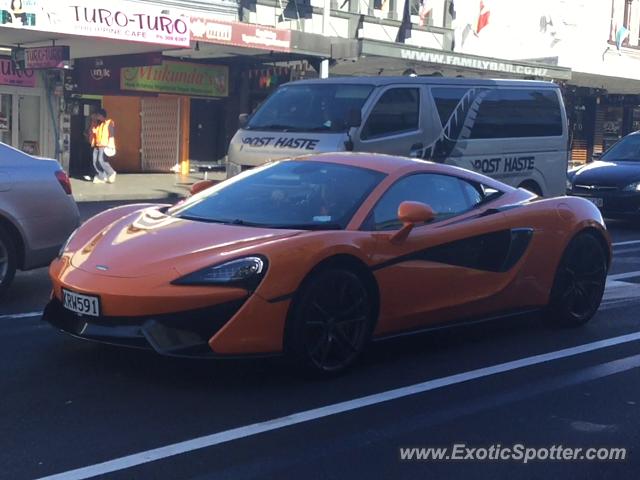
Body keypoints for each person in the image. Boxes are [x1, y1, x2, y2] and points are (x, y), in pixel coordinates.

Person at [89, 108, 116, 184]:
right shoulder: (99, 124)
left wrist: (111, 144)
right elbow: (97, 133)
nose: (97, 117)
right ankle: (101, 175)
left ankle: (111, 172)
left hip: (104, 145)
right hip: (97, 145)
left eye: (98, 115)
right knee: (95, 161)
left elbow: (111, 134)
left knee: (101, 160)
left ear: (102, 115)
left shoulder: (109, 122)